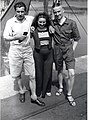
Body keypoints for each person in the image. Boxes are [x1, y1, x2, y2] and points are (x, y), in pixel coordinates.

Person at [3, 2, 45, 106]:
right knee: (17, 75)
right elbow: (5, 37)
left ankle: (34, 96)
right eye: (18, 12)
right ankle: (21, 91)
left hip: (27, 50)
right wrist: (16, 37)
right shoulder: (10, 22)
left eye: (22, 11)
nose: (20, 14)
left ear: (25, 11)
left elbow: (43, 20)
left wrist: (34, 28)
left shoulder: (30, 19)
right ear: (15, 11)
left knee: (32, 75)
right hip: (15, 50)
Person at [51, 2, 81, 106]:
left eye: (59, 11)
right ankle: (60, 87)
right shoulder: (52, 23)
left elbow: (77, 38)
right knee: (59, 70)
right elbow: (39, 22)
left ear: (63, 11)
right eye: (55, 12)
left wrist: (72, 49)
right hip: (57, 49)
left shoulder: (72, 23)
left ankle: (69, 94)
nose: (57, 14)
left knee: (71, 73)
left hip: (68, 48)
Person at [30, 12, 54, 98]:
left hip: (49, 53)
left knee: (48, 72)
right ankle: (38, 90)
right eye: (40, 22)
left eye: (44, 22)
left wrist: (50, 25)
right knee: (39, 72)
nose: (42, 24)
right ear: (37, 22)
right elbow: (26, 36)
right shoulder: (33, 30)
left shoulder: (50, 29)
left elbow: (54, 21)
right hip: (38, 53)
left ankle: (47, 89)